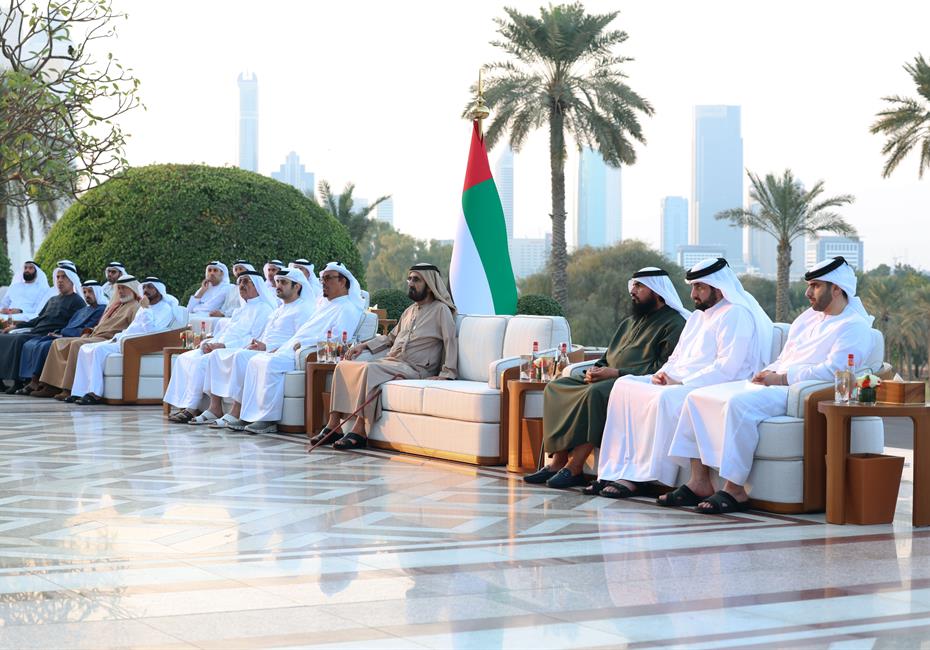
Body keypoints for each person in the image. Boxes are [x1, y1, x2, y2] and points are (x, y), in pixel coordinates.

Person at [666, 256, 874, 514]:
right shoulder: (807, 319)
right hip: (775, 383)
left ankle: (735, 489)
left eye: (816, 286)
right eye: (809, 285)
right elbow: (787, 356)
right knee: (697, 396)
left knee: (737, 405)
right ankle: (698, 481)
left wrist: (782, 377)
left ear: (837, 288)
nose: (808, 293)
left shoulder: (854, 327)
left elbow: (835, 372)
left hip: (797, 391)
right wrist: (769, 371)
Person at [587, 258, 773, 498]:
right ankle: (616, 470)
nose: (693, 294)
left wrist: (682, 382)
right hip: (678, 379)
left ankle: (643, 477)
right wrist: (663, 374)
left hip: (715, 383)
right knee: (624, 386)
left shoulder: (735, 314)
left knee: (666, 398)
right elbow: (676, 357)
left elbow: (728, 367)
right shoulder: (697, 318)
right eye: (692, 287)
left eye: (699, 287)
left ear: (717, 287)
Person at [525, 267, 689, 488]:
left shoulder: (674, 324)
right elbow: (607, 356)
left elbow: (664, 367)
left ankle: (574, 467)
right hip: (608, 376)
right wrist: (596, 370)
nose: (633, 291)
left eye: (639, 287)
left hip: (635, 382)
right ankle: (557, 461)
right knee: (556, 387)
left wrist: (616, 373)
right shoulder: (629, 322)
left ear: (657, 291)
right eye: (633, 286)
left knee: (595, 394)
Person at [317, 263, 457, 451]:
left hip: (417, 368)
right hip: (394, 362)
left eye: (416, 279)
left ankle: (360, 431)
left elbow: (450, 341)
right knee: (344, 365)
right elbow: (391, 338)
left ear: (430, 283)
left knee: (370, 368)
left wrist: (447, 373)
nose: (410, 283)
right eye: (409, 279)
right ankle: (334, 424)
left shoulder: (441, 310)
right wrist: (364, 345)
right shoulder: (410, 311)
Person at [234, 262, 365, 434]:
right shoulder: (325, 305)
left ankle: (267, 420)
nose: (322, 282)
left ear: (343, 282)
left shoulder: (348, 308)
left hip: (309, 352)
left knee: (271, 363)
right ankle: (250, 415)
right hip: (292, 348)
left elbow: (338, 340)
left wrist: (301, 345)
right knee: (255, 360)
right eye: (322, 278)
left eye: (328, 278)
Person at [195, 268, 315, 425]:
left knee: (241, 357)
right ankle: (215, 407)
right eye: (277, 282)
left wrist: (269, 347)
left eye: (283, 282)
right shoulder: (280, 308)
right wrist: (258, 344)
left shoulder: (303, 308)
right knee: (219, 355)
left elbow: (298, 338)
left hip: (282, 353)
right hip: (265, 348)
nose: (278, 285)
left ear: (297, 286)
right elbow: (264, 335)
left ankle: (237, 411)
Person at [164, 270, 276, 423]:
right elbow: (225, 331)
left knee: (203, 362)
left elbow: (253, 338)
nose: (241, 285)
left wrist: (223, 345)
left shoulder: (264, 309)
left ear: (257, 285)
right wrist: (207, 343)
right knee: (185, 357)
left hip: (235, 348)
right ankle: (182, 405)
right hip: (221, 345)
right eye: (240, 282)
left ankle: (193, 408)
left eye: (246, 282)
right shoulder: (240, 309)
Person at [69, 276, 178, 405]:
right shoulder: (144, 306)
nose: (146, 290)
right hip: (123, 339)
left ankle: (94, 394)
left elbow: (151, 331)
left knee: (98, 350)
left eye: (150, 287)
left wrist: (146, 309)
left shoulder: (164, 308)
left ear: (159, 290)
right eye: (144, 287)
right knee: (84, 348)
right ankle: (79, 392)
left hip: (136, 344)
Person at [32, 276, 142, 400]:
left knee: (76, 344)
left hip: (108, 339)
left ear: (133, 289)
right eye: (119, 288)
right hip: (93, 335)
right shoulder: (115, 306)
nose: (121, 291)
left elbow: (133, 330)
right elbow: (99, 325)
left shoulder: (136, 307)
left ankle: (68, 389)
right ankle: (50, 385)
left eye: (124, 288)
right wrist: (87, 332)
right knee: (57, 342)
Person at [0, 262, 86, 393]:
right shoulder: (53, 299)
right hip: (36, 330)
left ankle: (18, 382)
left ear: (72, 279)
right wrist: (15, 326)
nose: (60, 281)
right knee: (4, 337)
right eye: (58, 277)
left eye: (64, 277)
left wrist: (59, 333)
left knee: (19, 340)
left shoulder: (77, 301)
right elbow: (38, 319)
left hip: (48, 333)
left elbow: (75, 323)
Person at [17, 280, 107, 394]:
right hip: (65, 335)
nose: (87, 295)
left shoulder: (102, 309)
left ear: (98, 293)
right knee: (37, 343)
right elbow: (70, 324)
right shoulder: (83, 310)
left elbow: (88, 329)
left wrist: (63, 333)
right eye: (84, 292)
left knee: (45, 346)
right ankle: (33, 381)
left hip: (78, 337)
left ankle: (46, 384)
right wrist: (57, 332)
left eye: (90, 292)